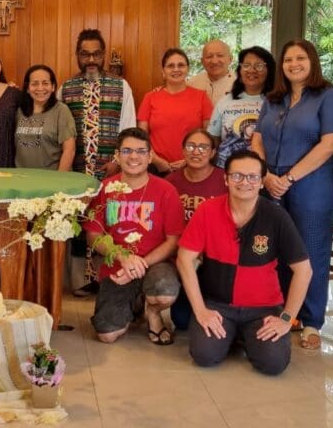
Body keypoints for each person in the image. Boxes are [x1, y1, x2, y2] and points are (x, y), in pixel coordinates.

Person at [177, 150, 312, 375]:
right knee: (205, 355)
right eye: (237, 176)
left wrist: (286, 319)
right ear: (226, 179)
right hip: (219, 305)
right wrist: (201, 310)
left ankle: (243, 336)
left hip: (264, 309)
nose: (244, 182)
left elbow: (303, 270)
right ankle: (234, 335)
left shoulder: (276, 217)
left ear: (261, 182)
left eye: (252, 177)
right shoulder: (207, 210)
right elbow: (184, 258)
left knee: (273, 364)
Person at [251, 38, 333, 350]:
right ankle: (282, 313)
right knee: (274, 250)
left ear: (312, 61)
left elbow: (329, 144)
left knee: (310, 249)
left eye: (300, 58)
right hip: (271, 181)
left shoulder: (329, 96)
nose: (294, 64)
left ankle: (311, 321)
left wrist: (289, 177)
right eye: (288, 59)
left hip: (311, 183)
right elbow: (257, 141)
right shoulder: (273, 99)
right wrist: (266, 175)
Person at [84, 128, 184, 345]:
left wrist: (141, 263)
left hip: (156, 264)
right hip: (118, 266)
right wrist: (122, 257)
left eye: (140, 151)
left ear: (150, 157)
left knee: (164, 294)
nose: (134, 156)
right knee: (107, 335)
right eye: (127, 150)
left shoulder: (166, 190)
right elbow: (93, 234)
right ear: (118, 156)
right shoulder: (107, 188)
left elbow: (173, 240)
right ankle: (136, 304)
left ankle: (154, 312)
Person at [60, 29, 137, 296]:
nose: (91, 59)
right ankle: (81, 280)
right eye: (85, 54)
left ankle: (108, 273)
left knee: (109, 220)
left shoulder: (120, 86)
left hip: (111, 171)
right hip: (78, 171)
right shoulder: (66, 88)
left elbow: (129, 127)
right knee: (80, 221)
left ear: (103, 55)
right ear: (78, 56)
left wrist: (118, 161)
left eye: (96, 53)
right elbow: (60, 131)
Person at [164, 128, 226, 330]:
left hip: (217, 258)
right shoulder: (170, 182)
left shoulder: (224, 180)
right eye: (191, 146)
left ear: (213, 152)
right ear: (183, 151)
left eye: (203, 147)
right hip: (182, 258)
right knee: (182, 321)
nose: (196, 152)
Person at [137, 48, 213, 174]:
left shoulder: (201, 97)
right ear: (163, 71)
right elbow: (141, 136)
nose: (176, 69)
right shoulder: (150, 97)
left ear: (187, 69)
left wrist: (188, 160)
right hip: (155, 167)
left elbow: (209, 135)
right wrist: (156, 160)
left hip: (193, 166)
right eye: (170, 66)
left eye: (181, 65)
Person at [209, 46, 276, 168]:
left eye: (259, 66)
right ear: (240, 70)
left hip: (266, 172)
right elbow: (213, 139)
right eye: (246, 65)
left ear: (269, 70)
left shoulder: (277, 102)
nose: (252, 70)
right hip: (228, 172)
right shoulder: (225, 102)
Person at [15, 64, 76, 171]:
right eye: (34, 84)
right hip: (22, 178)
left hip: (51, 179)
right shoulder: (19, 111)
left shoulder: (61, 111)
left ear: (53, 87)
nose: (40, 88)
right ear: (27, 88)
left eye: (45, 83)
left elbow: (69, 150)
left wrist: (59, 180)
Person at [188, 39, 235, 106]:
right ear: (202, 61)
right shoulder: (192, 84)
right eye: (209, 56)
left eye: (220, 55)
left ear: (230, 59)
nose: (214, 61)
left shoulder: (242, 84)